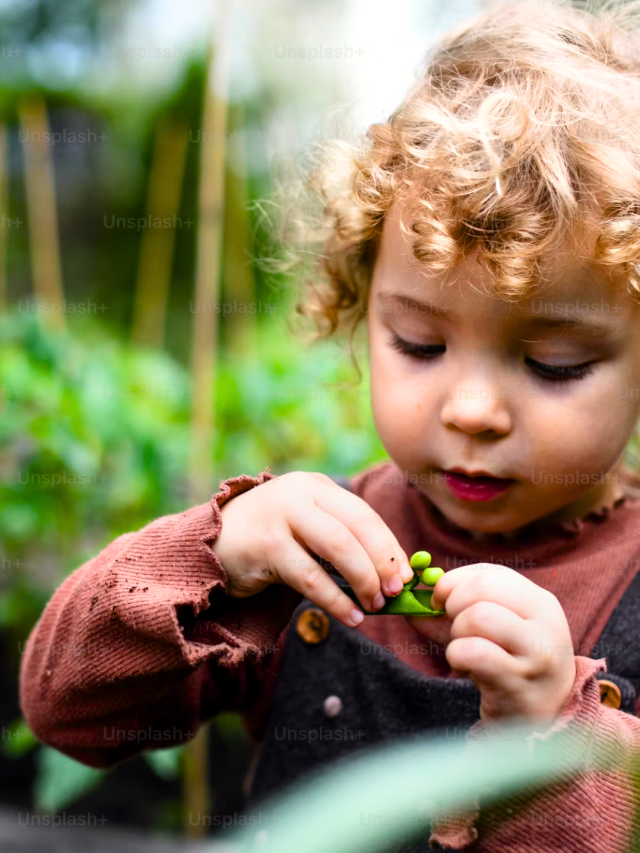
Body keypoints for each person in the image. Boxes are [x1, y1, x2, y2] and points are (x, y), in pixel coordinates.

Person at [19, 0, 640, 849]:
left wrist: (550, 734)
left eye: (554, 364)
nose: (472, 411)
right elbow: (68, 709)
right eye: (420, 343)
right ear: (361, 304)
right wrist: (214, 553)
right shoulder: (305, 563)